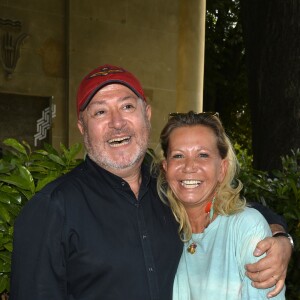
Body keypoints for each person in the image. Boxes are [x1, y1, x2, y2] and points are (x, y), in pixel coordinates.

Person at [10, 65, 292, 300]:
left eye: (127, 106)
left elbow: (231, 208)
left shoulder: (170, 185)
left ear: (146, 114)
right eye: (100, 112)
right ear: (82, 127)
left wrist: (279, 238)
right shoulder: (52, 209)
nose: (117, 122)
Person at [155, 111, 286, 299]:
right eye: (178, 156)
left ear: (222, 169)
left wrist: (283, 238)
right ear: (165, 167)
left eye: (202, 155)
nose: (189, 166)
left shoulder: (246, 227)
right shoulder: (164, 228)